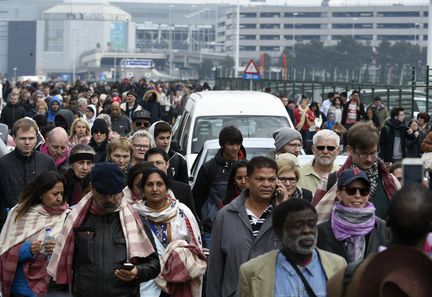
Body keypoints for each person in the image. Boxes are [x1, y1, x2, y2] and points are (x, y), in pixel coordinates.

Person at [47, 162, 161, 297]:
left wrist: (137, 272)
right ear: (92, 189)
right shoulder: (75, 219)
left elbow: (154, 265)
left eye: (114, 195)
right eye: (104, 195)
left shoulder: (136, 220)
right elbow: (61, 265)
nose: (110, 200)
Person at [327, 184, 432, 297]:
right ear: (430, 227)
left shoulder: (344, 280)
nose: (357, 195)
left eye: (363, 191)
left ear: (387, 221)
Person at [206, 156, 285, 297]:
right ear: (248, 181)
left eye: (272, 179)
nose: (267, 184)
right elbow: (215, 269)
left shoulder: (285, 215)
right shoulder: (225, 216)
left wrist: (285, 209)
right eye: (260, 179)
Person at [239, 199, 346, 297]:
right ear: (279, 231)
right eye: (298, 225)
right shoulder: (252, 271)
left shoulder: (338, 265)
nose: (307, 230)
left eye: (311, 224)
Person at [134, 168, 205, 297]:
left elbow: (196, 249)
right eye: (150, 185)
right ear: (142, 189)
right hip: (145, 284)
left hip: (178, 283)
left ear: (167, 188)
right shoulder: (134, 215)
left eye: (159, 184)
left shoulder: (182, 213)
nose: (155, 189)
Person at [0, 172, 70, 297]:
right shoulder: (19, 213)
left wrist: (59, 248)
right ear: (41, 194)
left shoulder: (67, 216)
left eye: (62, 193)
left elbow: (73, 251)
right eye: (55, 194)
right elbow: (4, 250)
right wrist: (27, 249)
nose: (59, 198)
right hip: (21, 287)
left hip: (53, 287)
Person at [313, 122, 400, 223]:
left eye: (373, 153)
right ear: (350, 150)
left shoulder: (390, 182)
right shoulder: (331, 181)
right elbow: (314, 221)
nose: (369, 159)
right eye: (363, 153)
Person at [317, 168, 389, 263]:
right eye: (351, 190)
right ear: (338, 194)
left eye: (364, 191)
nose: (358, 195)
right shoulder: (321, 232)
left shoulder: (384, 229)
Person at [193, 125, 245, 247]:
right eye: (231, 144)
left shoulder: (247, 167)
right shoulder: (209, 168)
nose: (235, 148)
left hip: (241, 226)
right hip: (213, 228)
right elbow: (198, 197)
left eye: (238, 144)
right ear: (223, 145)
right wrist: (204, 219)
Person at [0, 118, 56, 228]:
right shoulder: (2, 164)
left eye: (31, 138)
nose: (27, 142)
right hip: (9, 224)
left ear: (36, 139)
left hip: (40, 224)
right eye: (23, 138)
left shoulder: (47, 162)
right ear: (14, 139)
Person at [145, 147, 198, 222]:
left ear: (167, 164)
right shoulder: (142, 190)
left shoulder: (183, 189)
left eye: (158, 163)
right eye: (151, 164)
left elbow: (192, 219)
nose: (155, 166)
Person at [298, 129, 341, 194]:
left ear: (338, 150)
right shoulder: (298, 173)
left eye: (330, 148)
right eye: (320, 147)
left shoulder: (343, 174)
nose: (325, 152)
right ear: (313, 149)